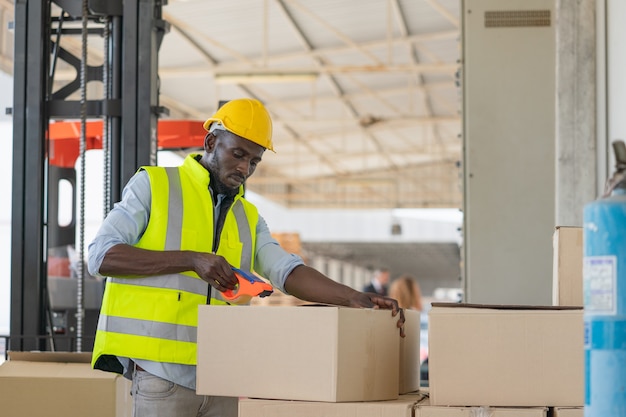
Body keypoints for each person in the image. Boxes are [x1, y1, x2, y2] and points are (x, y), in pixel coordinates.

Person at [87, 98, 405, 417]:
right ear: (211, 141)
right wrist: (191, 259)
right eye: (237, 154)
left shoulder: (248, 217)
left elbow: (287, 272)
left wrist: (352, 297)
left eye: (254, 161)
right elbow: (101, 256)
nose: (244, 168)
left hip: (225, 380)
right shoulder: (155, 186)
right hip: (163, 379)